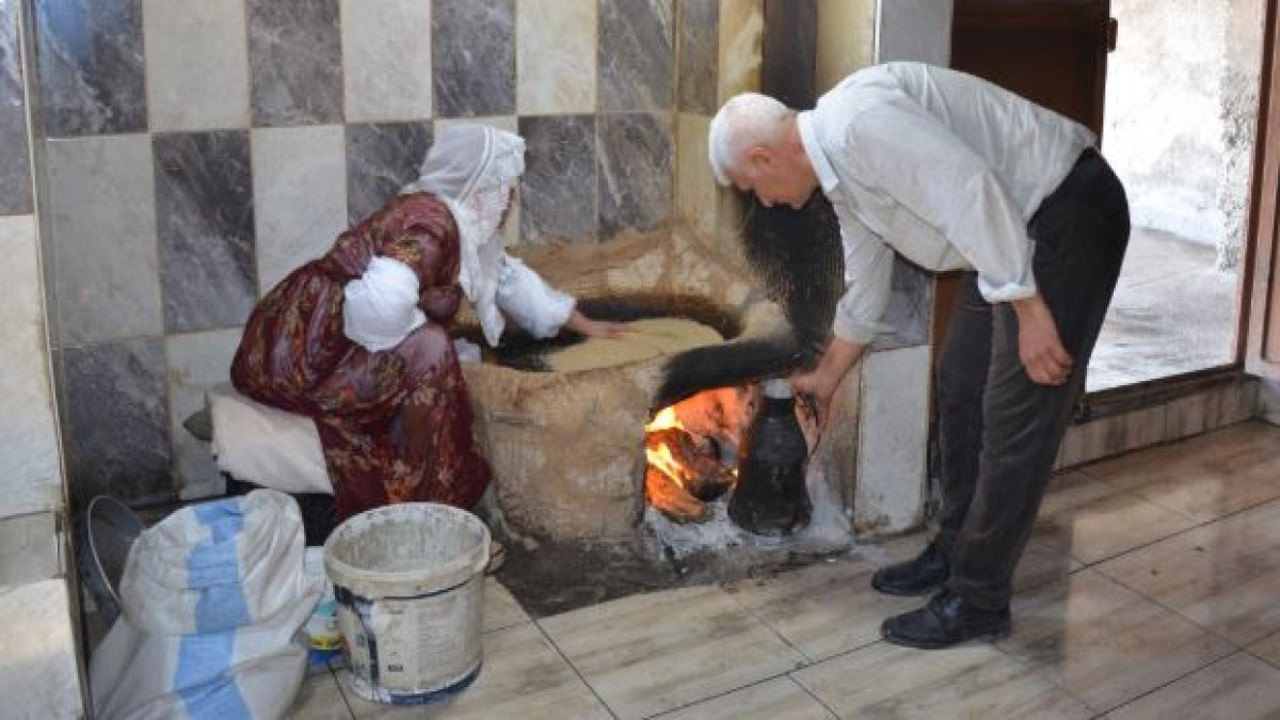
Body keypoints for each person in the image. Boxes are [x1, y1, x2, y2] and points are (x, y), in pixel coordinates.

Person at [708, 62, 1129, 649]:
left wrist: (1030, 311)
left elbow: (970, 190)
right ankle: (955, 550)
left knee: (1017, 413)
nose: (765, 202)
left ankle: (979, 599)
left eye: (752, 188)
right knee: (959, 383)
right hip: (1005, 232)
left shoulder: (858, 125)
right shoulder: (840, 170)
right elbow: (866, 281)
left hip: (1062, 212)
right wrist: (826, 378)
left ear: (762, 157)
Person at [231, 124, 626, 522]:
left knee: (442, 348)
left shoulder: (454, 219)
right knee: (433, 349)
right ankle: (426, 504)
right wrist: (421, 337)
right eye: (505, 188)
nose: (510, 201)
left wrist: (584, 324)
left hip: (309, 341)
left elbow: (507, 278)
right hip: (304, 356)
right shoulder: (433, 224)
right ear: (479, 188)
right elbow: (379, 310)